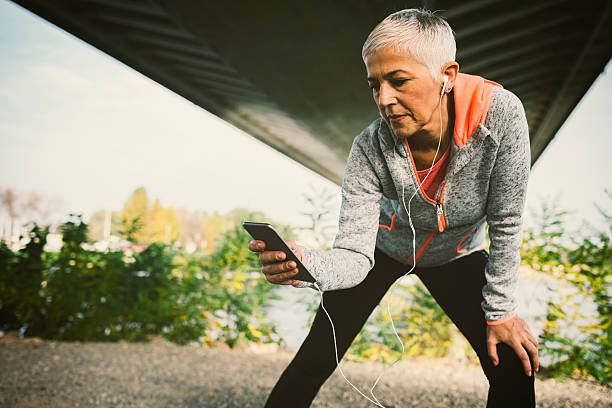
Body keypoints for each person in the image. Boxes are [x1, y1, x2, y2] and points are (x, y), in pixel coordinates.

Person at [248, 8, 539, 408]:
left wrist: (502, 312)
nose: (384, 99)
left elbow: (506, 221)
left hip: (456, 254)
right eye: (374, 85)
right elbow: (353, 256)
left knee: (511, 360)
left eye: (399, 81)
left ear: (447, 76)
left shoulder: (502, 117)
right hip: (382, 250)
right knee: (316, 358)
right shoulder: (368, 149)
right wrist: (306, 266)